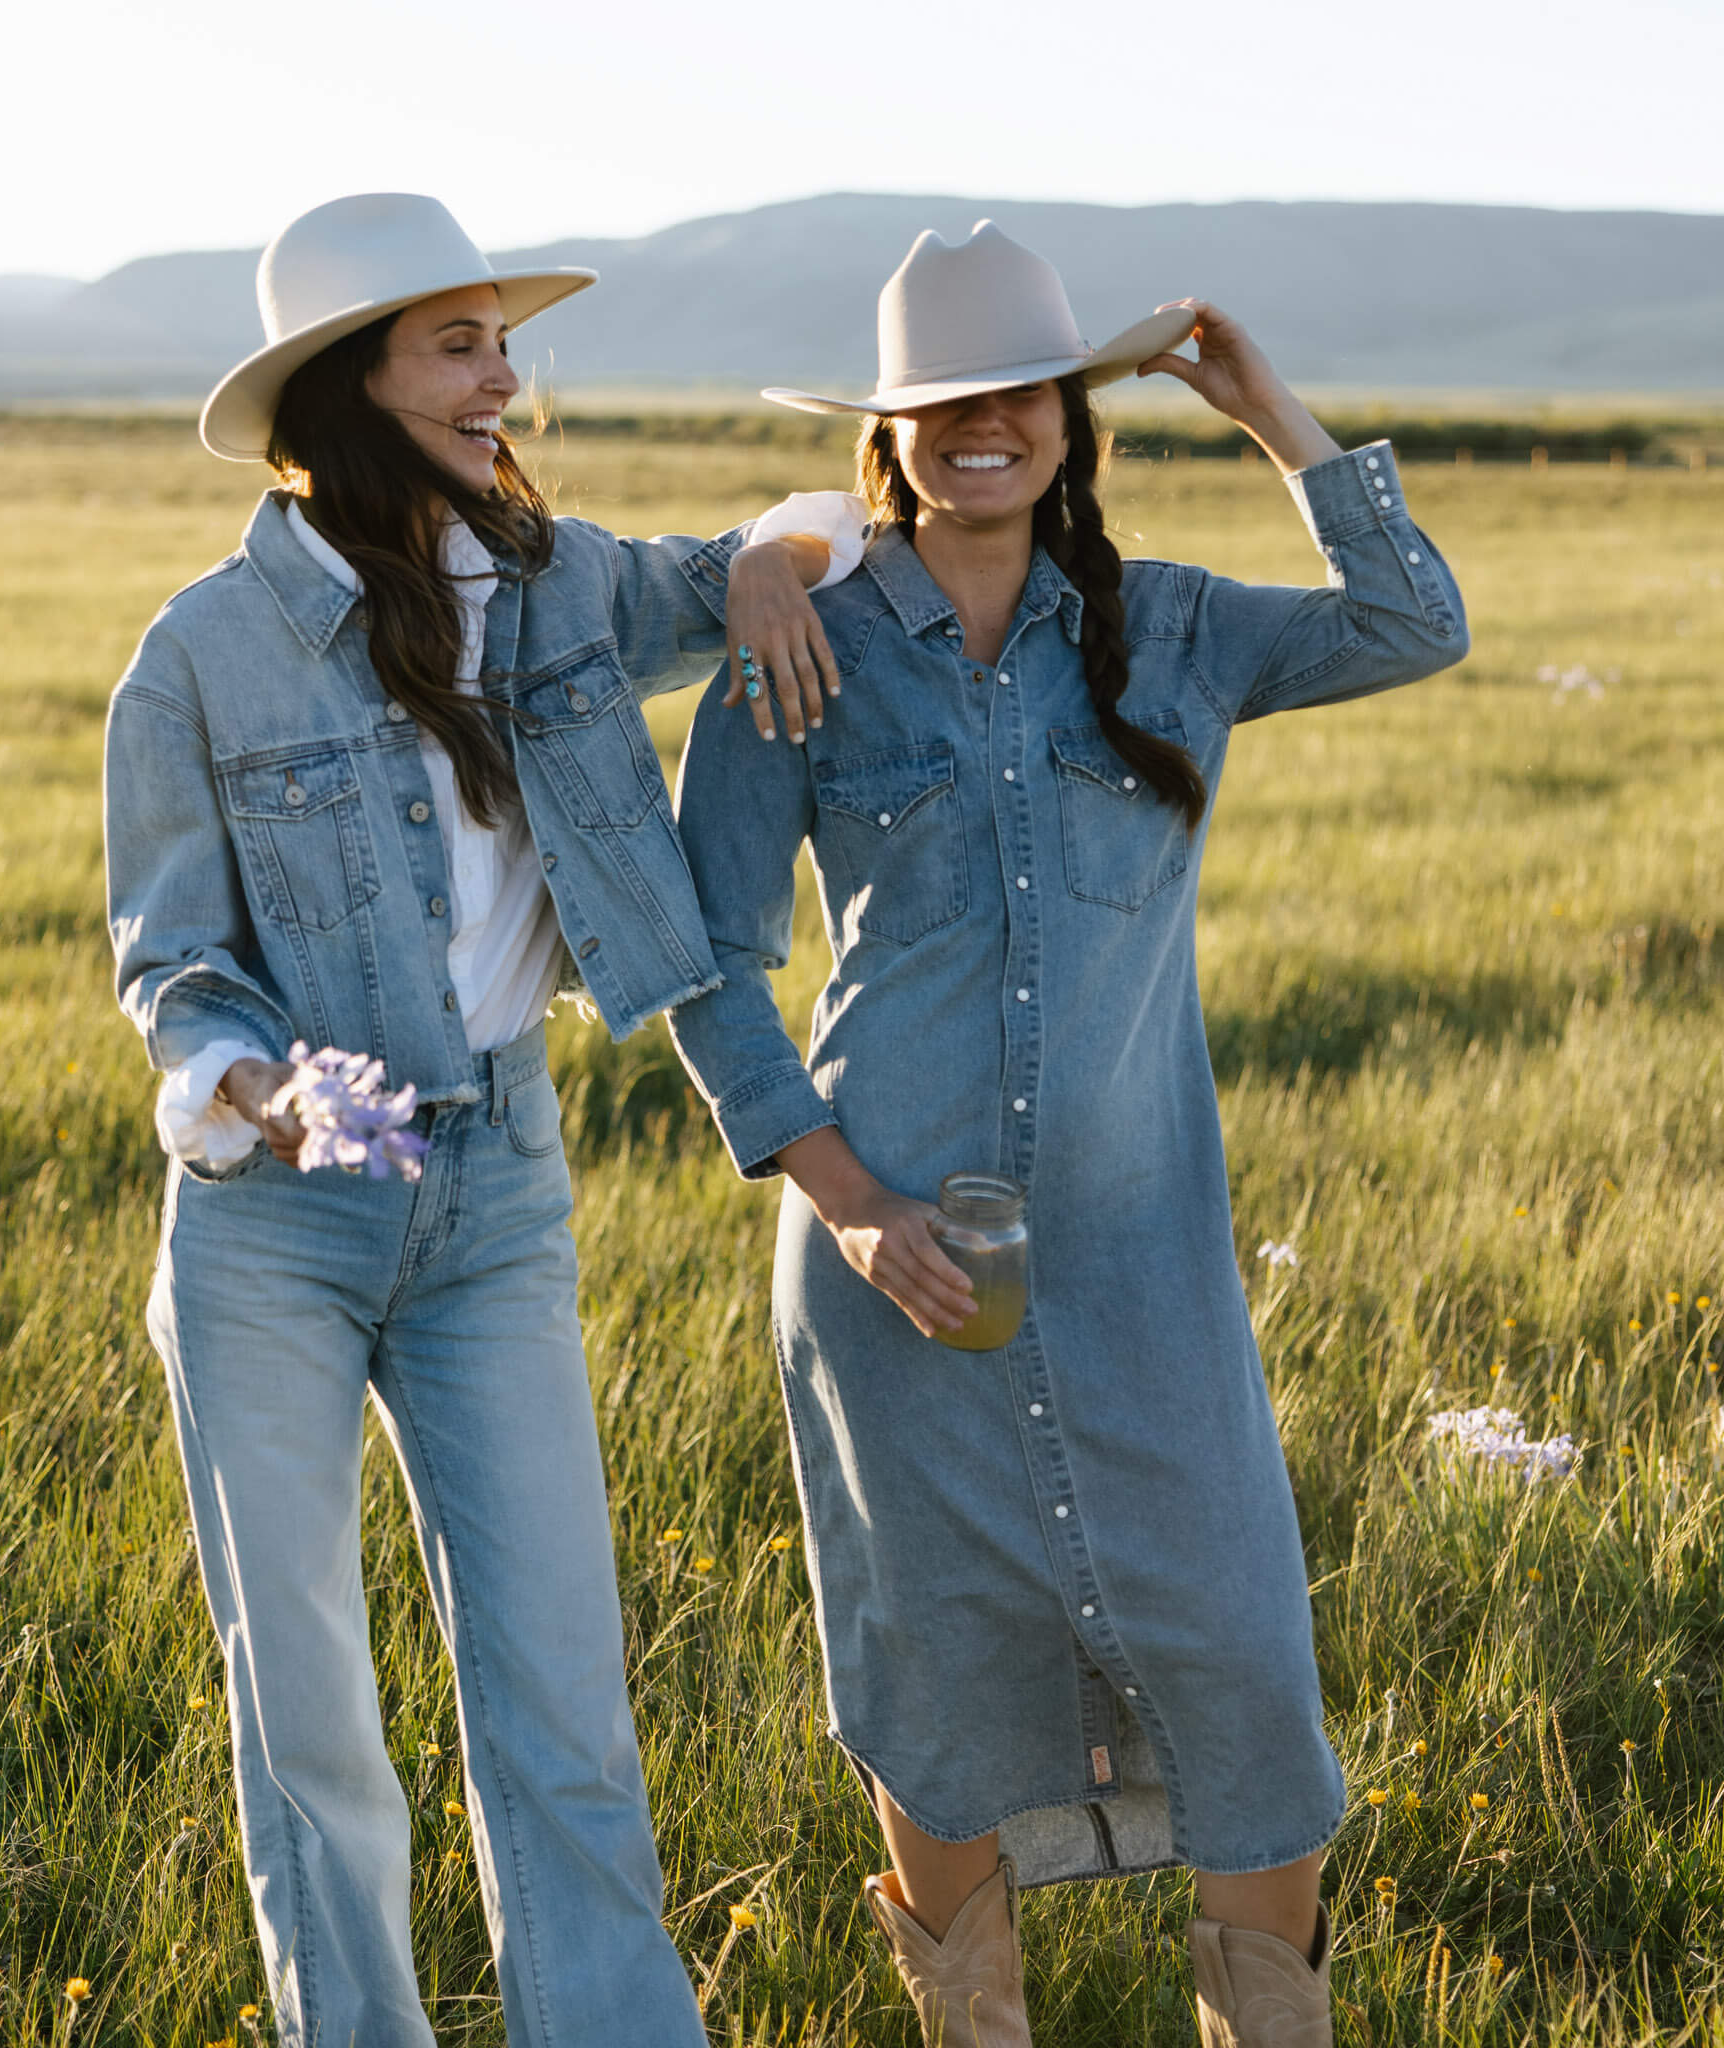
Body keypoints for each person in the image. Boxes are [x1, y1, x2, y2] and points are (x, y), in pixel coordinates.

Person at [667, 220, 1470, 2048]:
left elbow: (1416, 621)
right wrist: (845, 1201)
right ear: (888, 431)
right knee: (939, 1677)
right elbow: (709, 959)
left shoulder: (1173, 626)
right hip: (895, 1268)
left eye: (1022, 391)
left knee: (1247, 1668)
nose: (985, 425)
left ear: (1071, 417)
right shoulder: (798, 638)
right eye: (943, 401)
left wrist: (1271, 413)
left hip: (1141, 1265)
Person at [103, 191, 851, 2048]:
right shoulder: (201, 655)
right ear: (346, 384)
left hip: (498, 1187)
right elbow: (175, 962)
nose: (503, 378)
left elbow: (811, 527)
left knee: (562, 1699)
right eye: (457, 345)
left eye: (504, 344)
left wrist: (770, 561)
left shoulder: (566, 582)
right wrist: (253, 1087)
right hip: (277, 1221)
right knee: (312, 1726)